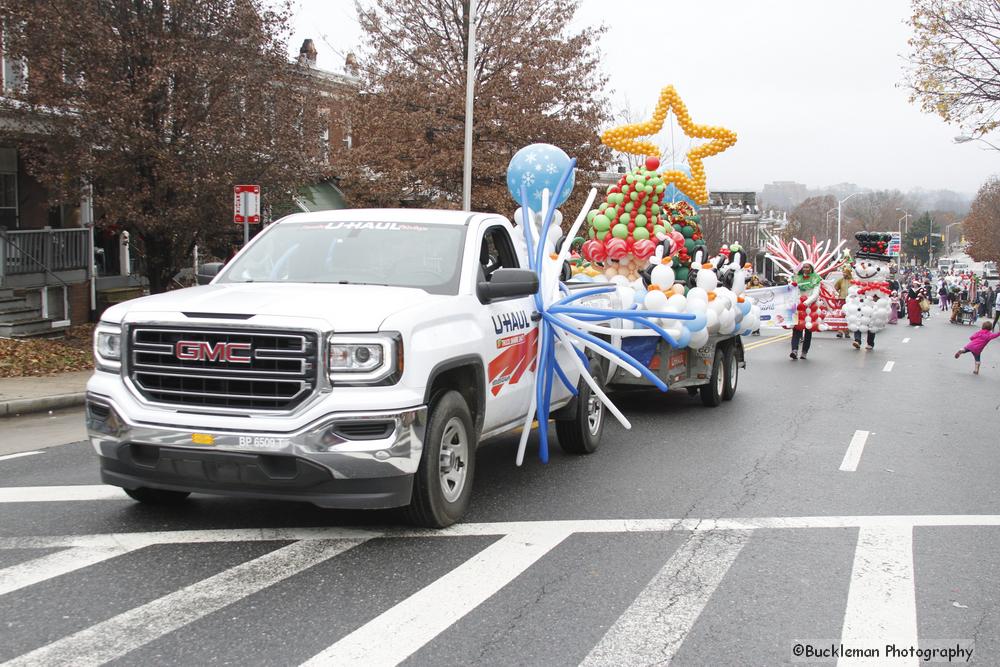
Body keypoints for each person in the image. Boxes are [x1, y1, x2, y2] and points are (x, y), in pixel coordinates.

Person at [790, 262, 821, 360]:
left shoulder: (816, 278)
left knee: (808, 330)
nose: (805, 269)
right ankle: (794, 350)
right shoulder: (797, 277)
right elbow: (792, 290)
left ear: (811, 268)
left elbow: (816, 293)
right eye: (804, 267)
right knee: (796, 328)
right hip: (799, 305)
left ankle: (804, 352)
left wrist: (806, 303)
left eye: (807, 267)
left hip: (810, 306)